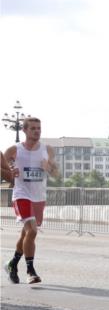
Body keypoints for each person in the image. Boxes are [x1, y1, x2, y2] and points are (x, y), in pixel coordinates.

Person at [4, 117, 58, 284]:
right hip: (21, 195)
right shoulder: (14, 149)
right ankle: (30, 271)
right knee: (32, 231)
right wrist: (10, 172)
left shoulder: (47, 149)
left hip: (39, 198)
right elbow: (4, 172)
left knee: (27, 233)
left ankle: (12, 263)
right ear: (25, 131)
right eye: (33, 128)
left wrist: (48, 167)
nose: (37, 131)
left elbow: (56, 174)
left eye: (39, 128)